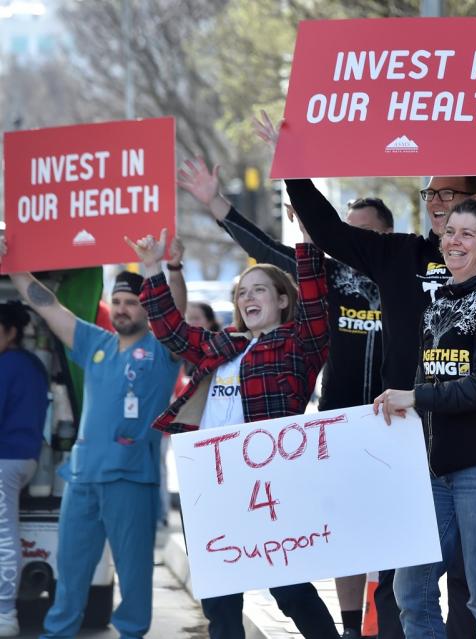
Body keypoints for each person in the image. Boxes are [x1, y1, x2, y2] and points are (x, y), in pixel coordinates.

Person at [282, 122, 476, 638]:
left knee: (475, 593)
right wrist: (293, 168)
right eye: (431, 194)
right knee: (408, 590)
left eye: (452, 197)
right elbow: (329, 231)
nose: (440, 206)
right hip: (411, 447)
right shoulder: (398, 253)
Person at [181, 154, 397, 639]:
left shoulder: (407, 279)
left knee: (395, 544)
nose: (352, 242)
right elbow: (264, 249)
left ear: (387, 236)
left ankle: (391, 627)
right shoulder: (328, 280)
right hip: (335, 430)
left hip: (397, 428)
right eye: (346, 232)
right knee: (340, 547)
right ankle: (346, 629)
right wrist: (216, 204)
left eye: (364, 233)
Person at [127, 227, 338, 639]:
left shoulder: (298, 343)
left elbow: (315, 303)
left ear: (282, 301)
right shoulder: (222, 344)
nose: (249, 298)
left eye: (260, 290)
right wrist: (152, 267)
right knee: (220, 604)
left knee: (289, 589)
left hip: (269, 483)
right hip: (209, 482)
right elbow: (169, 330)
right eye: (243, 293)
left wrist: (310, 240)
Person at [0, 238, 181, 639]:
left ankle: (132, 633)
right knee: (71, 570)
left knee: (133, 574)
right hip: (82, 480)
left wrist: (160, 269)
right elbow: (48, 305)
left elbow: (177, 316)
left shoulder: (163, 349)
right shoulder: (95, 343)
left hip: (131, 479)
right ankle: (58, 632)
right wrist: (12, 264)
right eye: (117, 302)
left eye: (131, 302)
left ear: (148, 308)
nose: (121, 309)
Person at [372, 200, 476, 638]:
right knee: (412, 587)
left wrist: (414, 396)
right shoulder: (440, 299)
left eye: (467, 234)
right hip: (436, 468)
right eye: (449, 232)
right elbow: (435, 377)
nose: (454, 241)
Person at [0, 301, 49, 637]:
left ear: (11, 332)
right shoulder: (32, 363)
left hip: (5, 459)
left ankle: (5, 613)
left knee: (4, 536)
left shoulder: (8, 365)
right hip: (25, 457)